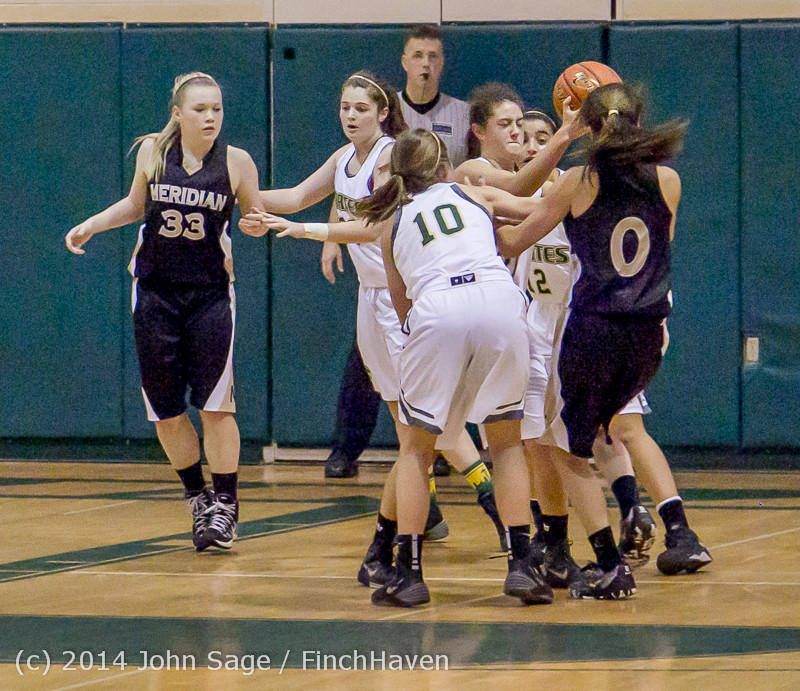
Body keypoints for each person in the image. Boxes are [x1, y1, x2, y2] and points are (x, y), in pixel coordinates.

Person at [497, 82, 711, 596]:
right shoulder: (669, 179)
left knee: (565, 446)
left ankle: (609, 564)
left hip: (595, 329)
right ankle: (646, 513)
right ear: (638, 122)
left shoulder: (577, 180)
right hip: (647, 332)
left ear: (587, 128)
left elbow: (511, 241)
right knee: (615, 432)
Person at [349, 128, 559, 607]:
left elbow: (403, 309)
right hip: (500, 302)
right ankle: (522, 563)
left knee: (417, 451)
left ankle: (409, 572)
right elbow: (546, 209)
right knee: (505, 444)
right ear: (445, 169)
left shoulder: (391, 224)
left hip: (439, 306)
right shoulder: (473, 192)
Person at [65, 72, 268, 552]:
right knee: (165, 413)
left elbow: (254, 216)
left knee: (217, 405)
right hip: (155, 293)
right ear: (178, 113)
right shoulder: (153, 152)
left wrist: (259, 224)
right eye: (201, 109)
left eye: (217, 108)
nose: (212, 117)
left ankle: (226, 504)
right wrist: (91, 225)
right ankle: (197, 497)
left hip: (211, 295)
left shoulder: (237, 162)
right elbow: (135, 206)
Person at [398, 24, 471, 169]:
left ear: (442, 62)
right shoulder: (384, 110)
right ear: (405, 62)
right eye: (418, 55)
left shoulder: (465, 114)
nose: (426, 63)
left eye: (432, 56)